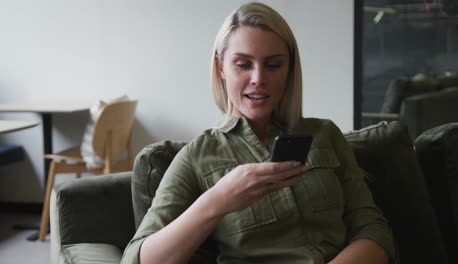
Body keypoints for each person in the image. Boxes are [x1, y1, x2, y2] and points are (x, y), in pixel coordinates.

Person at [121, 2, 397, 264]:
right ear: (221, 69)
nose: (259, 78)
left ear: (289, 70)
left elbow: (374, 230)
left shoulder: (325, 135)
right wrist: (217, 201)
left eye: (273, 65)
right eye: (243, 64)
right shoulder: (196, 157)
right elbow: (137, 260)